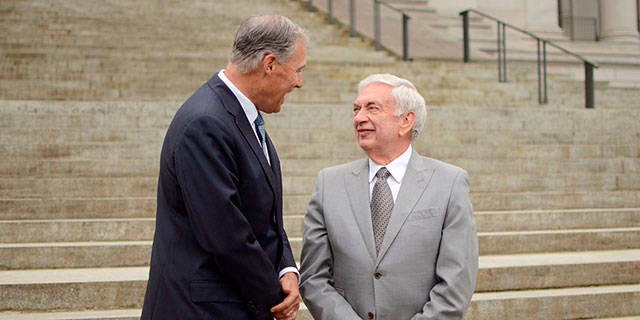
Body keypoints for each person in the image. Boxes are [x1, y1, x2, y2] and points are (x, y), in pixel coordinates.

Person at [141, 15, 307, 320]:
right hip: (203, 309)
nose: (299, 82)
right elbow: (226, 234)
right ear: (269, 64)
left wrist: (287, 269)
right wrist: (276, 299)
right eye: (297, 70)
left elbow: (266, 215)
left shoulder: (239, 115)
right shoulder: (206, 122)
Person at [300, 74, 478, 320]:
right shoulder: (328, 184)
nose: (359, 118)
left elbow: (457, 281)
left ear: (406, 121)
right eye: (356, 109)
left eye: (372, 108)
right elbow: (313, 278)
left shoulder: (449, 183)